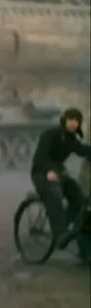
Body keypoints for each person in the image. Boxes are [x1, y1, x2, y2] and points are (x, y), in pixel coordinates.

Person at [31, 107, 91, 261]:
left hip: (58, 173)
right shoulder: (50, 134)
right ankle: (59, 235)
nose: (74, 123)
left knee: (79, 197)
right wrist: (48, 170)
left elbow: (83, 150)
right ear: (65, 120)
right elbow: (39, 157)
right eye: (71, 119)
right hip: (41, 173)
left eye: (77, 121)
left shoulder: (71, 139)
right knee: (54, 193)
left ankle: (67, 226)